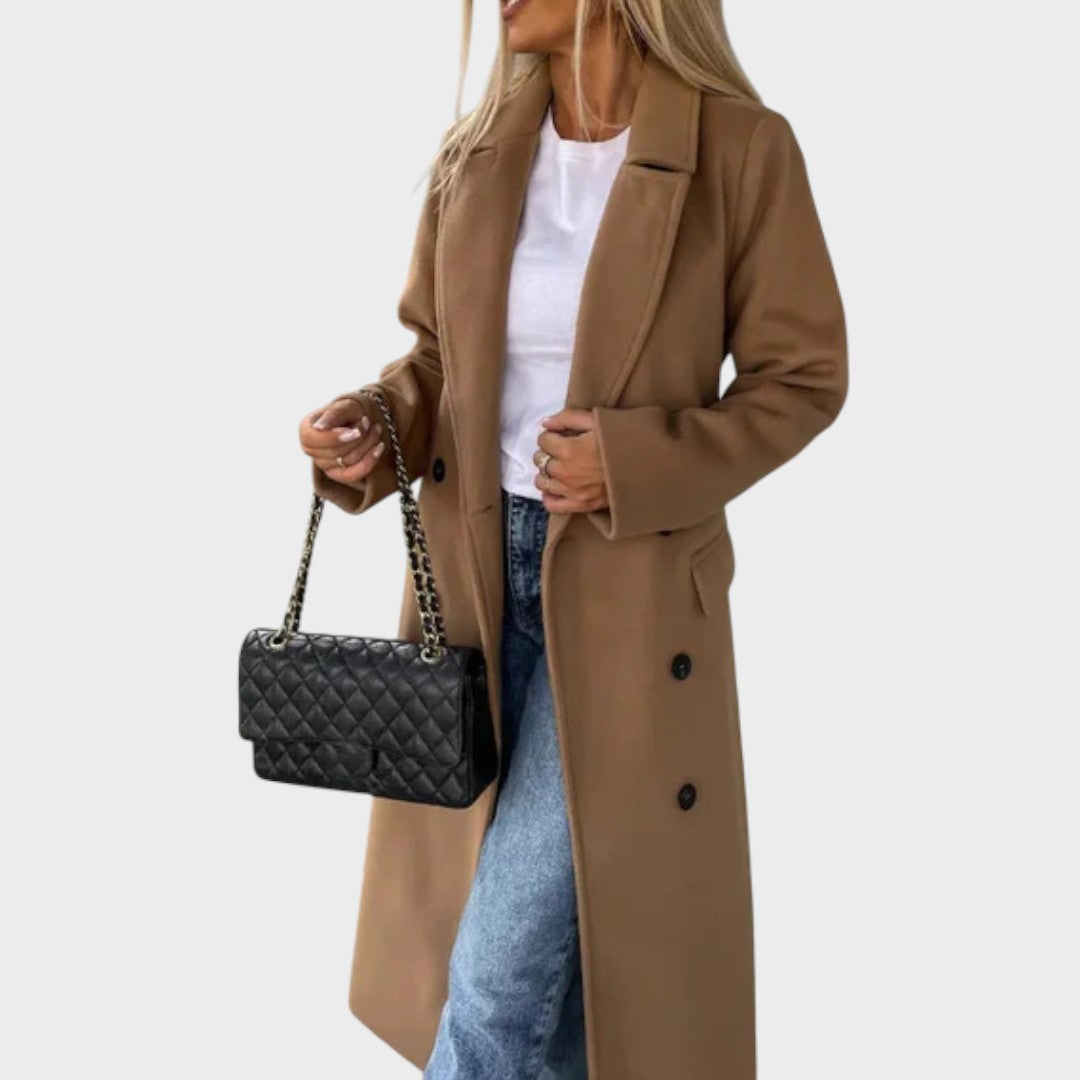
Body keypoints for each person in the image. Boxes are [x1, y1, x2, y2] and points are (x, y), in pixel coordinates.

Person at [298, 1, 847, 1077]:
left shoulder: (740, 149)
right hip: (473, 592)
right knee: (560, 1005)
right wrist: (375, 422)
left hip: (624, 603)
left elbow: (804, 379)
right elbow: (437, 363)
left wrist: (634, 462)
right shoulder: (474, 154)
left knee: (497, 973)